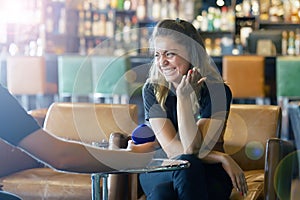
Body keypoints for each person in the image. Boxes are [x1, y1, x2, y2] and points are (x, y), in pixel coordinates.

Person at [126, 19, 248, 199]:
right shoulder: (152, 90)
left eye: (169, 54)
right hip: (164, 168)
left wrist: (183, 97)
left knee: (164, 193)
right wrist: (221, 157)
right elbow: (175, 152)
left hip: (208, 174)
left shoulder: (217, 91)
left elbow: (191, 149)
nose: (162, 62)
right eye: (157, 55)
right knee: (177, 175)